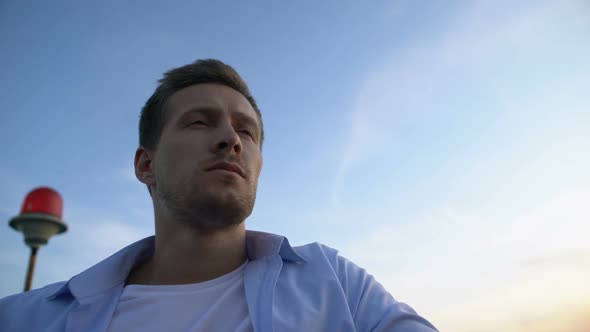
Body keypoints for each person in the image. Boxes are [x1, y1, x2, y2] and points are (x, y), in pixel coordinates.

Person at [0, 59, 438, 332]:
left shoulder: (337, 285)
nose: (232, 140)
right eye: (199, 122)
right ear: (145, 165)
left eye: (247, 131)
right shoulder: (25, 319)